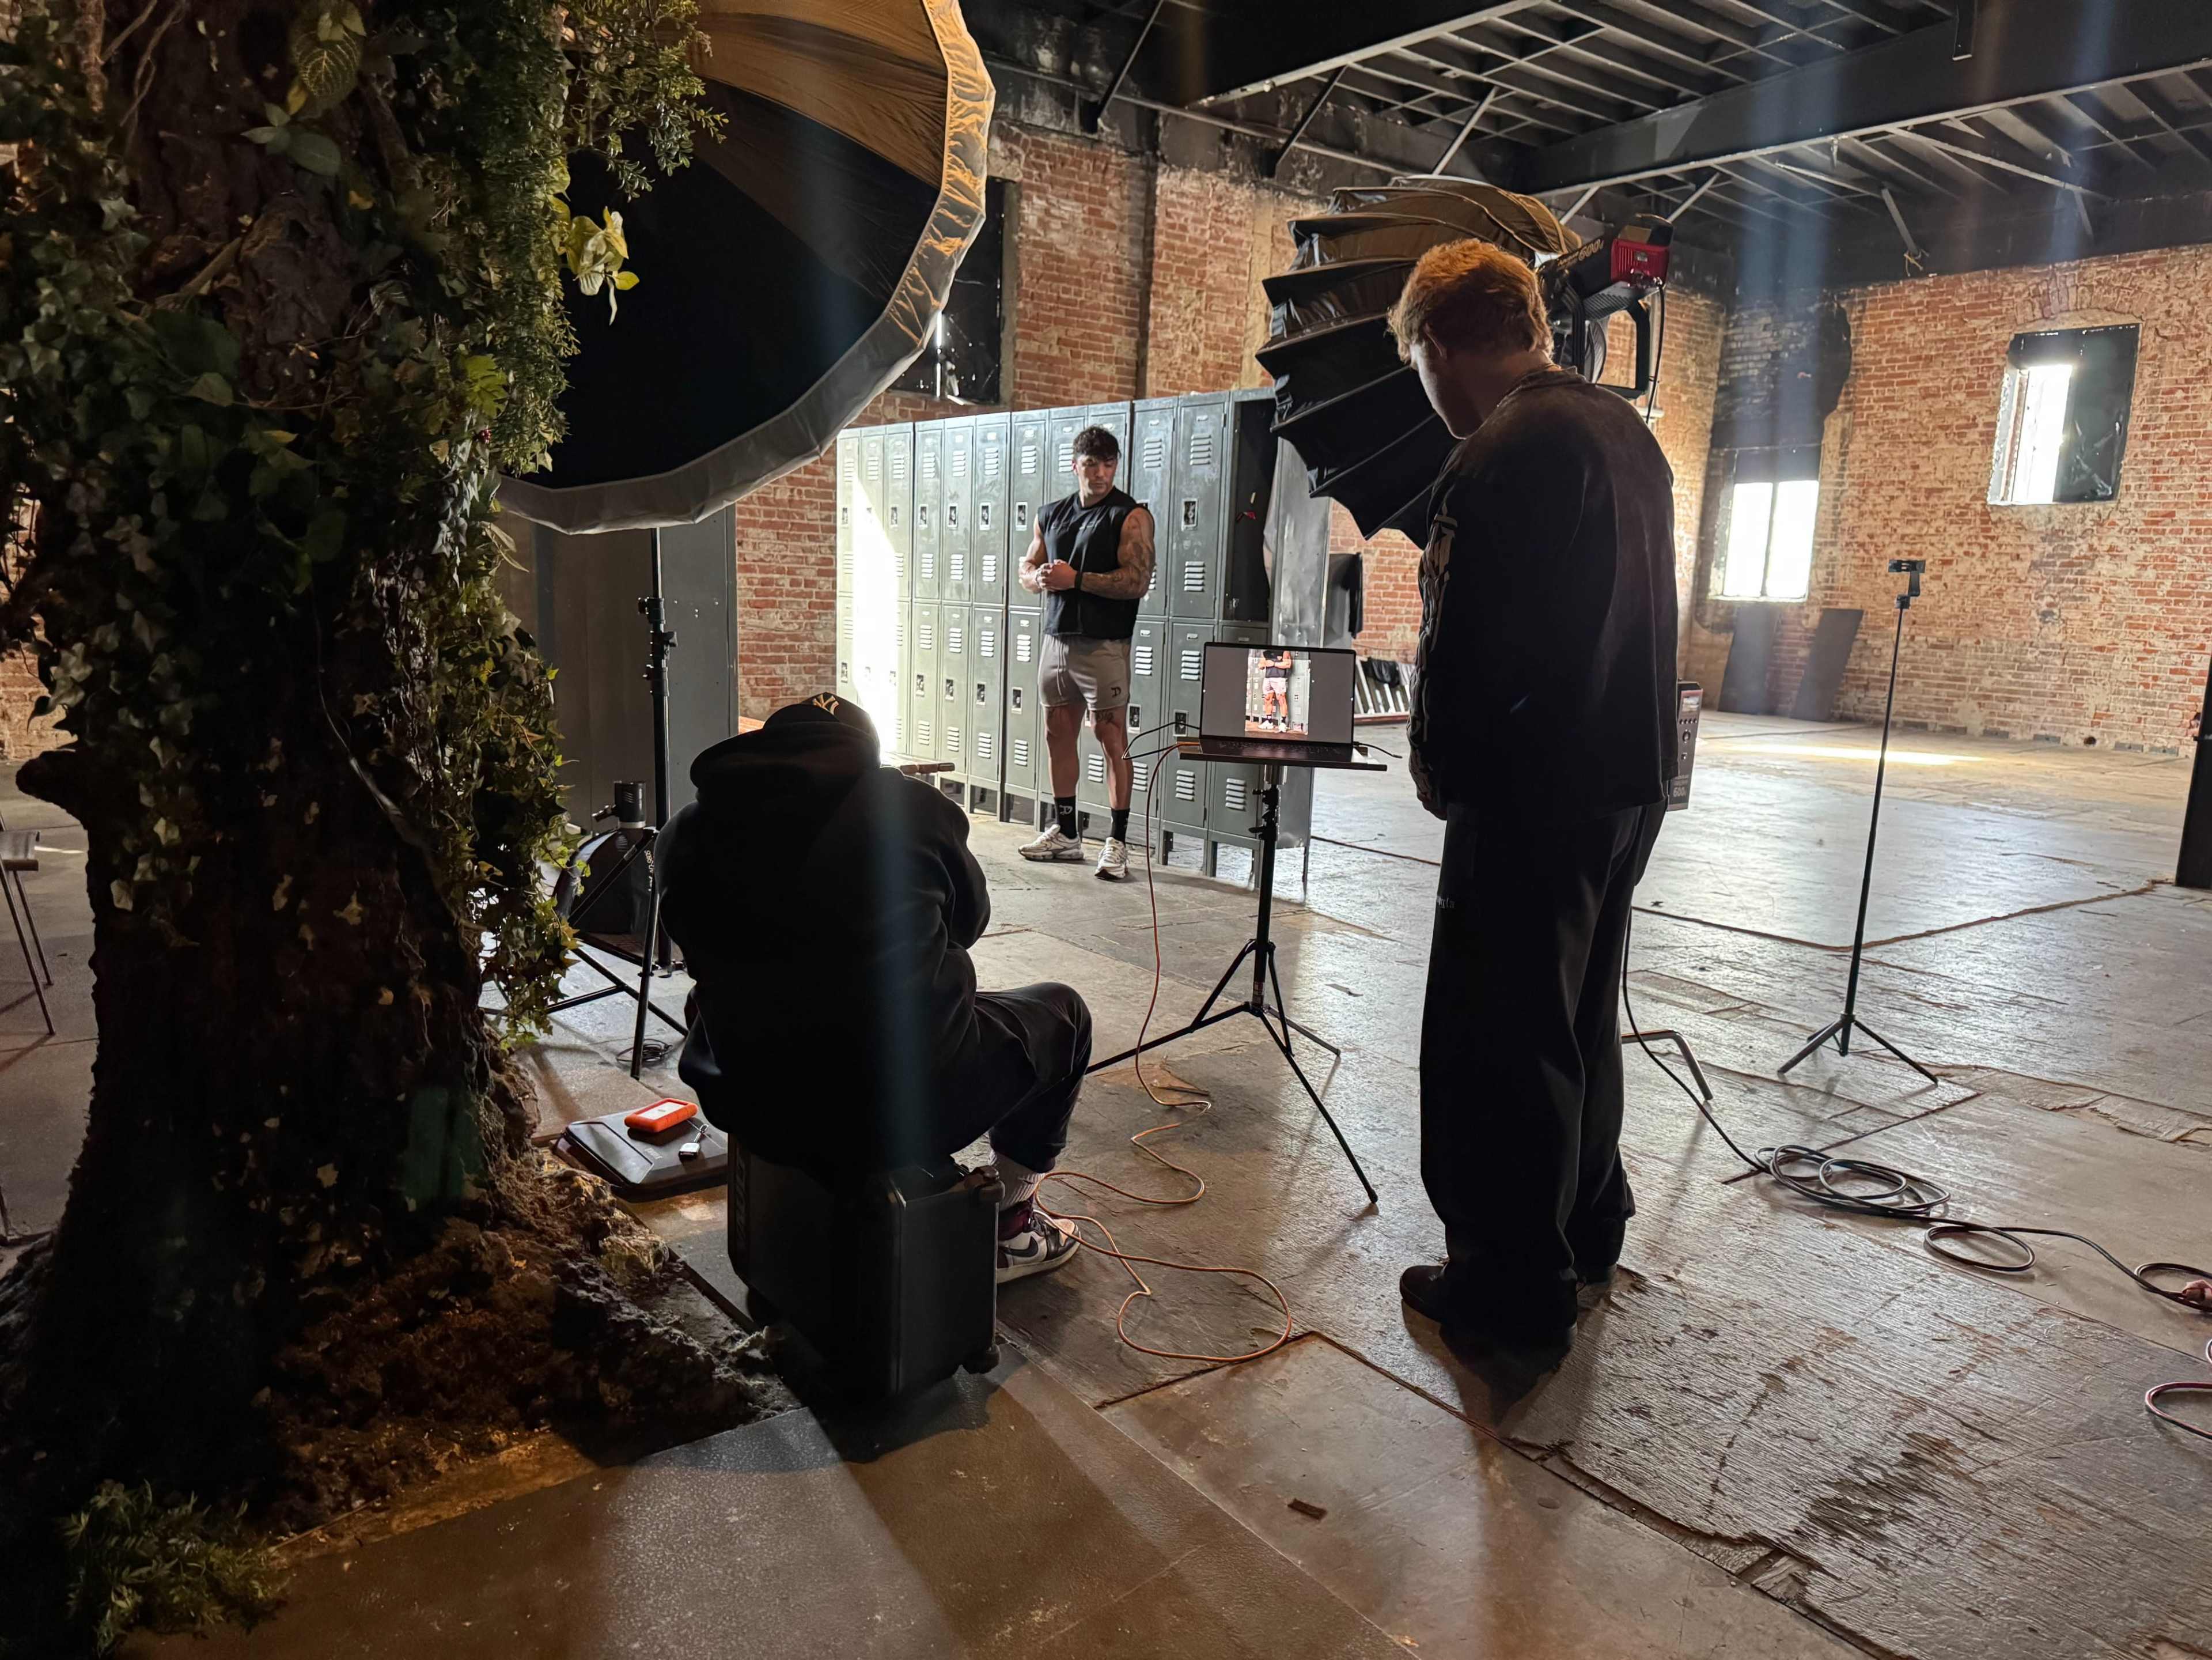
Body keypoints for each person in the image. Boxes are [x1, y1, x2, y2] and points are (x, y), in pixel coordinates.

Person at [1388, 240, 1680, 1354]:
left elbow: (1460, 651)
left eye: (1418, 359)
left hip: (1528, 790)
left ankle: (1510, 1289)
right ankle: (1587, 1225)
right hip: (1628, 778)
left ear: (1440, 343)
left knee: (1499, 1035)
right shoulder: (1625, 432)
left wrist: (1441, 771)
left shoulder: (1497, 451)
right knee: (1580, 1008)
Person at [659, 693, 1089, 1283]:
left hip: (749, 1097)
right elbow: (968, 925)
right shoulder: (907, 806)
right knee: (1063, 1014)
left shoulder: (687, 828)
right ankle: (1010, 1224)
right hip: (893, 1111)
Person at [1016, 424, 1155, 881]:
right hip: (1057, 641)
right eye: (1091, 463)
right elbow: (1028, 564)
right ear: (1075, 465)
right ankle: (1068, 832)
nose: (1099, 473)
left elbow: (1136, 582)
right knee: (1059, 733)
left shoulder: (1130, 515)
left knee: (1111, 736)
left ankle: (1117, 840)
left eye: (1108, 463)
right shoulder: (1052, 514)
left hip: (1104, 645)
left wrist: (1076, 580)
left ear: (1116, 465)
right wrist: (1036, 579)